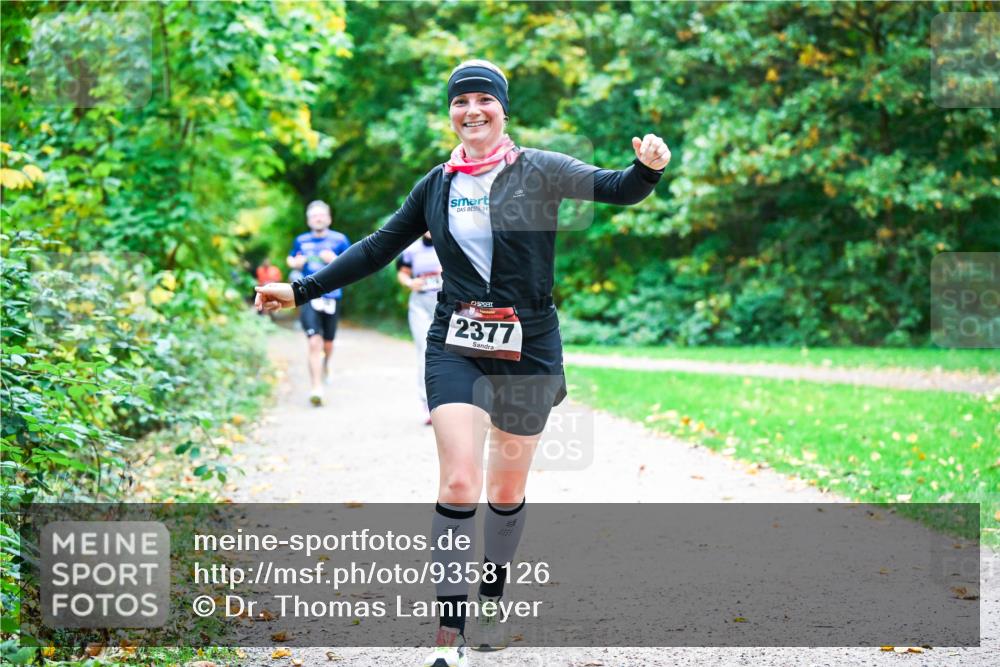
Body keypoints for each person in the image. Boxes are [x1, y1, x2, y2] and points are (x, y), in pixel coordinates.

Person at [256, 59, 670, 666]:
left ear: (503, 109)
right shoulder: (437, 185)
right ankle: (449, 635)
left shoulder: (540, 170)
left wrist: (647, 168)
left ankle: (494, 596)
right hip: (457, 338)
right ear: (449, 112)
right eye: (460, 101)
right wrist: (301, 290)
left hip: (529, 345)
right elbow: (376, 248)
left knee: (506, 490)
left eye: (484, 100)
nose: (471, 110)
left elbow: (615, 187)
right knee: (458, 482)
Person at [287, 200, 351, 406]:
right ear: (308, 220)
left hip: (332, 296)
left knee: (328, 343)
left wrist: (334, 260)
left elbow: (354, 264)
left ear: (329, 218)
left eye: (321, 215)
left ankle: (326, 364)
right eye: (314, 216)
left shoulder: (340, 240)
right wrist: (295, 263)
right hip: (308, 296)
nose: (318, 218)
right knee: (314, 341)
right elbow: (291, 259)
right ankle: (316, 387)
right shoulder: (301, 240)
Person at [396, 231, 444, 425]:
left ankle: (453, 403)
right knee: (425, 351)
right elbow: (402, 272)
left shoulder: (451, 242)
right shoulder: (411, 249)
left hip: (448, 305)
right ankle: (428, 404)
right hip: (420, 306)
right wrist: (409, 282)